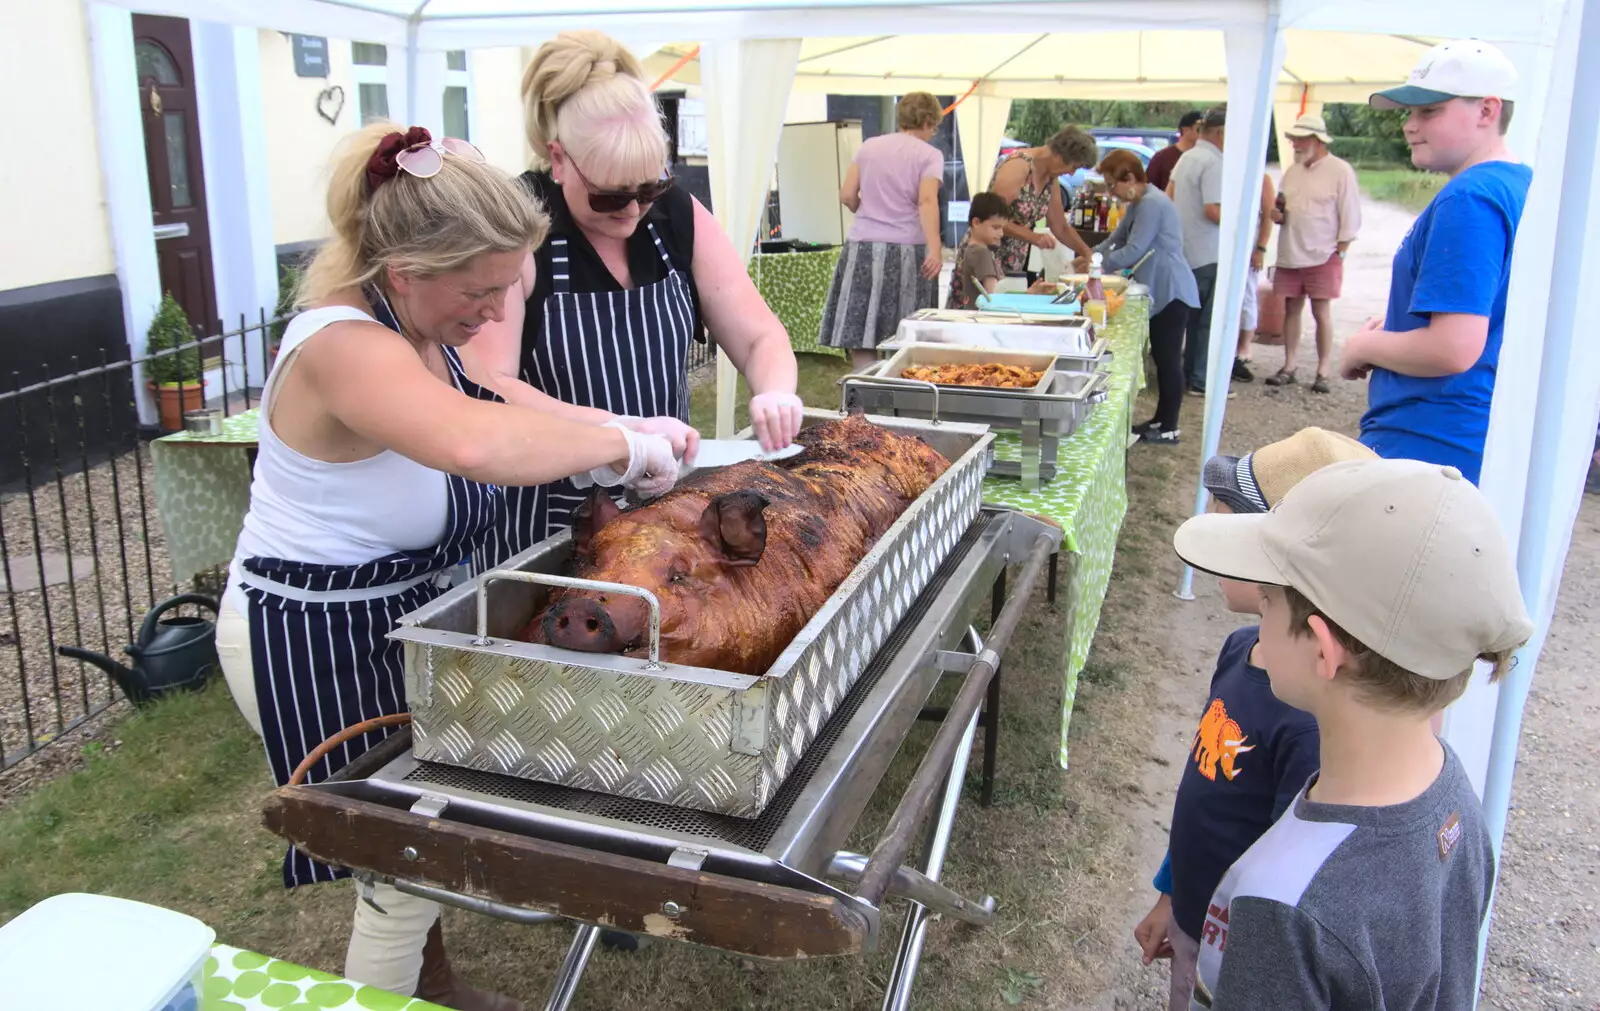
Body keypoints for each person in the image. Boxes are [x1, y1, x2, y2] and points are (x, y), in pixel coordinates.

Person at [214, 123, 682, 1011]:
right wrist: (618, 447)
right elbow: (474, 437)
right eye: (480, 291)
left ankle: (431, 986)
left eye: (509, 287)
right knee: (399, 861)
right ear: (405, 271)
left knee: (416, 834)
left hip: (393, 617)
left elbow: (499, 395)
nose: (497, 313)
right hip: (310, 632)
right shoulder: (342, 346)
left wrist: (620, 430)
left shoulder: (419, 330)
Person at [1171, 457, 1532, 1008]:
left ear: (1322, 647)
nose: (1257, 629)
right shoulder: (1451, 800)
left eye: (1267, 602)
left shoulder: (1286, 906)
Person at [474, 31, 802, 565]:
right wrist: (619, 432)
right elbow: (489, 387)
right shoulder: (518, 227)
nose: (633, 211)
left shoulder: (677, 215)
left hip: (668, 513)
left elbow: (760, 334)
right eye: (610, 196)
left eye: (648, 188)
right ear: (558, 160)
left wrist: (776, 390)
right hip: (550, 528)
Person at [1132, 427, 1375, 1011]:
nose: (1214, 527)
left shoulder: (1309, 722)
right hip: (1194, 914)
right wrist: (1172, 891)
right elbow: (1209, 788)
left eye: (1235, 524)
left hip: (1240, 945)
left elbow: (1288, 866)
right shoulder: (1242, 648)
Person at [1340, 39, 1530, 485]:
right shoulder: (1519, 185)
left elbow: (1453, 347)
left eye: (1429, 111)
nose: (1409, 125)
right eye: (1409, 112)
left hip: (1431, 440)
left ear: (1487, 111)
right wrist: (1396, 328)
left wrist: (1361, 348)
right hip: (1474, 434)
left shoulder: (1469, 197)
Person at [820, 91, 946, 368]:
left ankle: (861, 396)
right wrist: (935, 249)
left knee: (861, 330)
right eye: (934, 126)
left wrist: (868, 212)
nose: (933, 132)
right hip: (905, 251)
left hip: (861, 247)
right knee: (903, 330)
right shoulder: (930, 156)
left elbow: (847, 195)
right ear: (926, 121)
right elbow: (927, 201)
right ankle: (897, 396)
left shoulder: (869, 146)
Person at [1085, 150, 1198, 444]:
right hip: (1159, 288)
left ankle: (1169, 425)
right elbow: (1117, 239)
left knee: (1169, 359)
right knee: (1163, 358)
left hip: (1171, 289)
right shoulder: (1138, 202)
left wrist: (1098, 264)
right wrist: (1091, 254)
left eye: (1113, 185)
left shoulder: (1151, 204)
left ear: (1131, 178)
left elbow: (1133, 250)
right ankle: (1160, 420)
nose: (1111, 192)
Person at [1264, 114, 1362, 393]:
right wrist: (1277, 215)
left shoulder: (1340, 171)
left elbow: (1350, 214)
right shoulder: (1292, 171)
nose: (1294, 144)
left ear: (1316, 141)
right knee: (1291, 308)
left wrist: (1341, 252)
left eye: (1299, 139)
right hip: (1291, 251)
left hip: (1325, 252)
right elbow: (1283, 206)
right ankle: (1290, 365)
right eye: (1293, 139)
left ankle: (1323, 370)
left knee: (1321, 311)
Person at [989, 126, 1101, 284]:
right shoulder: (1019, 165)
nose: (1071, 174)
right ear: (1059, 155)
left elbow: (1060, 226)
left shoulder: (1051, 177)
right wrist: (1033, 237)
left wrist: (1086, 252)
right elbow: (990, 217)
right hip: (986, 256)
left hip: (1013, 261)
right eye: (1073, 167)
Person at [1168, 107, 1227, 395]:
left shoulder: (1187, 156)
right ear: (1221, 132)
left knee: (1192, 319)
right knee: (1206, 322)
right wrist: (1241, 224)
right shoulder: (1215, 162)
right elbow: (1212, 209)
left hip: (1187, 249)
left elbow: (1169, 195)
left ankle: (1190, 373)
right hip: (1208, 251)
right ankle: (1200, 378)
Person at [946, 192, 1056, 309]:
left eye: (1002, 228)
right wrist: (1028, 294)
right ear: (976, 222)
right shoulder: (982, 253)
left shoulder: (971, 250)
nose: (1001, 233)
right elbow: (994, 299)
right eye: (996, 227)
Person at [1232, 173, 1277, 383]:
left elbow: (1269, 214)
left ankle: (1244, 345)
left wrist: (1260, 247)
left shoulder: (1263, 178)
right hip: (1230, 243)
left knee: (1247, 295)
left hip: (1250, 246)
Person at [1146, 111, 1202, 194]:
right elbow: (1147, 189)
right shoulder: (1162, 157)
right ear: (1186, 130)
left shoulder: (1203, 158)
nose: (1203, 134)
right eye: (1199, 130)